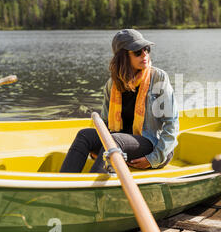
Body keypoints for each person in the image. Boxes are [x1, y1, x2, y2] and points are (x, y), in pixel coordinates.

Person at [60, 29, 179, 173]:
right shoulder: (112, 84)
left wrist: (154, 158)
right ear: (123, 57)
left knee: (113, 141)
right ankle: (66, 184)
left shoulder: (158, 78)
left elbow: (172, 123)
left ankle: (93, 189)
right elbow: (104, 124)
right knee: (84, 135)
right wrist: (96, 148)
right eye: (137, 52)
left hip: (153, 146)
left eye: (146, 49)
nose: (144, 55)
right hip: (119, 145)